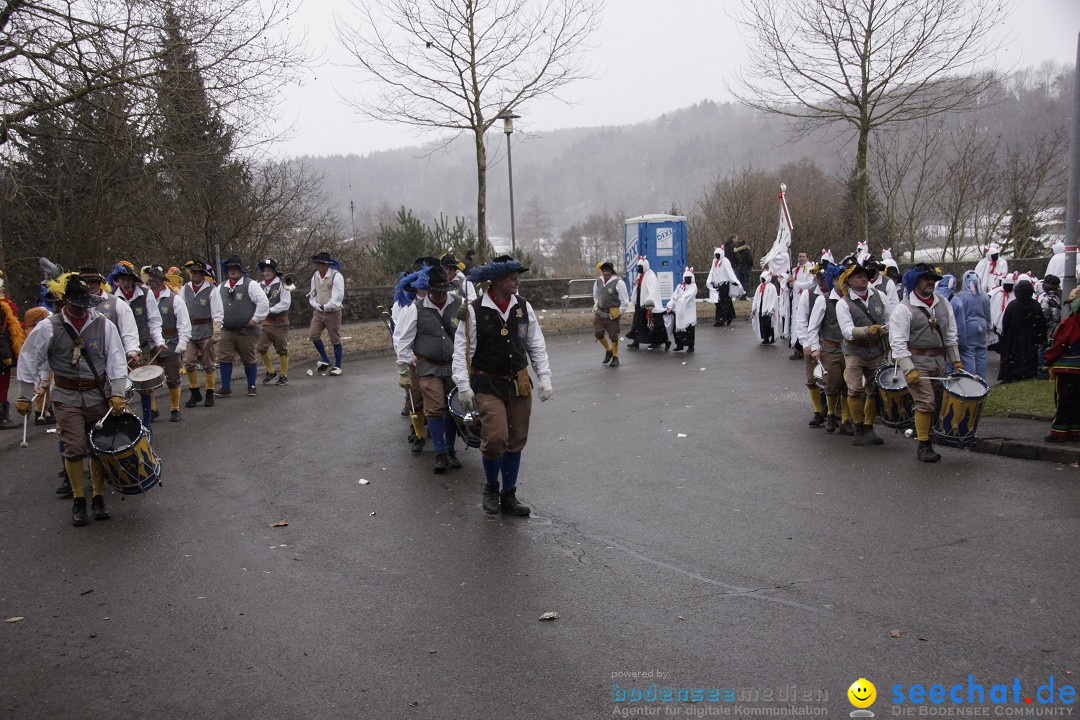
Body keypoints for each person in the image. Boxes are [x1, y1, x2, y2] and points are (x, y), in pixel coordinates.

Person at [15, 273, 129, 525]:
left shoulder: (102, 324)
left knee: (98, 447)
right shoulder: (49, 327)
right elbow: (29, 358)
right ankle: (79, 499)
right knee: (74, 447)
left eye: (84, 303)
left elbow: (116, 359)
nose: (81, 309)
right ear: (66, 301)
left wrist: (118, 392)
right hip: (66, 396)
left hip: (97, 394)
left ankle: (98, 496)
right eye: (76, 303)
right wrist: (25, 395)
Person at [452, 255, 552, 516]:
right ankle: (490, 487)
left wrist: (544, 378)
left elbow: (535, 344)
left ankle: (509, 495)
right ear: (495, 281)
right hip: (487, 382)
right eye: (511, 277)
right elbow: (461, 351)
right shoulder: (473, 310)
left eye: (517, 276)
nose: (517, 281)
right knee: (496, 438)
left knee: (516, 439)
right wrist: (463, 384)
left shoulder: (524, 307)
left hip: (519, 382)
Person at [889, 263, 962, 463]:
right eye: (925, 279)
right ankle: (923, 445)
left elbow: (951, 334)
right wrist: (908, 369)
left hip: (939, 361)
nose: (930, 282)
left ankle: (926, 434)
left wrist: (956, 361)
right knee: (925, 402)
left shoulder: (943, 303)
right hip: (916, 361)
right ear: (914, 282)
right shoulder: (903, 309)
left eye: (933, 279)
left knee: (937, 401)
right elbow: (897, 343)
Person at [394, 264, 462, 473]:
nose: (439, 295)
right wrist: (405, 369)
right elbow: (402, 340)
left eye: (443, 291)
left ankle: (450, 450)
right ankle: (439, 452)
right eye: (435, 292)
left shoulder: (461, 304)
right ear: (427, 289)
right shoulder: (415, 309)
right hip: (428, 366)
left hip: (454, 365)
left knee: (453, 409)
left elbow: (470, 336)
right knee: (434, 407)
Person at [836, 261, 893, 446]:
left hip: (876, 350)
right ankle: (858, 428)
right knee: (854, 390)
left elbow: (890, 319)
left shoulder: (880, 296)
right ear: (849, 281)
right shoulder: (843, 304)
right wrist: (866, 331)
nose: (863, 279)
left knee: (874, 389)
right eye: (858, 276)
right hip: (854, 351)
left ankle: (869, 427)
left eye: (865, 276)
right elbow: (846, 330)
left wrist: (884, 331)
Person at [110, 260, 164, 425]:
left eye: (128, 279)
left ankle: (148, 421)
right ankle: (126, 422)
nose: (126, 282)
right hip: (117, 349)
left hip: (141, 346)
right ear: (117, 280)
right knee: (120, 387)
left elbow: (154, 320)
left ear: (134, 280)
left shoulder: (146, 294)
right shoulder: (111, 298)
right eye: (122, 279)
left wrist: (159, 340)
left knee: (143, 386)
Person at [807, 263, 853, 435]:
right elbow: (813, 327)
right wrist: (814, 348)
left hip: (849, 350)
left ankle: (846, 420)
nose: (845, 283)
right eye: (840, 279)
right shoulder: (823, 300)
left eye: (847, 280)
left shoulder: (852, 301)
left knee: (849, 385)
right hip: (830, 349)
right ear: (833, 281)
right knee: (832, 385)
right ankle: (832, 414)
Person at [217, 256, 269, 397]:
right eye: (230, 268)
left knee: (248, 358)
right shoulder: (221, 287)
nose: (232, 271)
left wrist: (254, 320)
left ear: (241, 270)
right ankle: (226, 387)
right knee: (224, 358)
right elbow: (215, 307)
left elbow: (263, 303)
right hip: (227, 330)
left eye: (235, 268)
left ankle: (251, 386)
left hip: (247, 330)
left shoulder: (251, 285)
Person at [146, 265, 191, 421]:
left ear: (162, 280)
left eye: (156, 278)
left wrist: (183, 342)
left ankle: (175, 409)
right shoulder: (145, 297)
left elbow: (184, 323)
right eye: (151, 278)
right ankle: (152, 409)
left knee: (173, 378)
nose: (153, 281)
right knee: (148, 378)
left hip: (170, 342)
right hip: (151, 344)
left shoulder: (175, 299)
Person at [181, 259, 222, 408]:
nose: (193, 275)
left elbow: (217, 312)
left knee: (208, 363)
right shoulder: (185, 289)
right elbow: (180, 308)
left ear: (203, 274)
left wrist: (216, 329)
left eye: (196, 272)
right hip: (191, 330)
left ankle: (209, 392)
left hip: (206, 329)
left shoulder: (211, 290)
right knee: (189, 361)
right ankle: (195, 392)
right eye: (192, 272)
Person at [1043, 287, 1080, 443]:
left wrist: (1047, 360)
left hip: (1067, 368)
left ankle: (1059, 432)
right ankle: (1075, 431)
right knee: (1077, 401)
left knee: (1064, 400)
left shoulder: (1069, 323)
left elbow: (1059, 344)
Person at [997, 279, 1046, 384]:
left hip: (1014, 339)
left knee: (1015, 358)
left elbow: (1005, 323)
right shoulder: (1035, 305)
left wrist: (1005, 337)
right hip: (1030, 339)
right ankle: (1028, 373)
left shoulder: (1012, 305)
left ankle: (1014, 374)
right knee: (1029, 357)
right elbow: (1041, 324)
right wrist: (1040, 338)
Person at [797, 265, 828, 427]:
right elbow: (801, 320)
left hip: (831, 343)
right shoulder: (808, 295)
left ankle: (832, 412)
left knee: (833, 379)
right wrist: (806, 343)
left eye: (824, 278)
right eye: (819, 278)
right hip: (812, 340)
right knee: (812, 379)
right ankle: (817, 412)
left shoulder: (838, 294)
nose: (821, 281)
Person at [307, 250, 345, 376]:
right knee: (313, 335)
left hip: (333, 312)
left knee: (335, 338)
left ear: (327, 264)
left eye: (322, 264)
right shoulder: (315, 276)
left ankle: (338, 366)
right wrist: (315, 304)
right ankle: (326, 359)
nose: (319, 267)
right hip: (318, 312)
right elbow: (312, 294)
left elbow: (338, 297)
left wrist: (327, 306)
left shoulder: (336, 276)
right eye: (318, 264)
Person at [256, 258, 291, 386]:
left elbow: (286, 304)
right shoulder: (259, 285)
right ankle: (271, 371)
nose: (267, 273)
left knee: (281, 349)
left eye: (269, 270)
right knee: (261, 347)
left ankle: (284, 375)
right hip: (265, 323)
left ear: (275, 271)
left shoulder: (285, 283)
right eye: (265, 270)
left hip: (280, 322)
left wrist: (269, 310)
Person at [951, 270, 991, 380]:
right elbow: (988, 314)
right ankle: (982, 381)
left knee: (968, 354)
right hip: (982, 326)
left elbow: (960, 318)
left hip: (968, 328)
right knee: (981, 355)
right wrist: (987, 327)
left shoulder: (961, 297)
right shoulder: (985, 296)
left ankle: (971, 380)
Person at [592, 261, 629, 367]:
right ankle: (608, 350)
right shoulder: (598, 281)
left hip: (612, 312)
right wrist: (596, 305)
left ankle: (615, 357)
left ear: (611, 271)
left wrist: (619, 312)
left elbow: (625, 300)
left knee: (614, 335)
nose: (606, 272)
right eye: (604, 270)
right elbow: (595, 295)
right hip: (600, 312)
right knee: (598, 333)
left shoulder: (618, 282)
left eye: (608, 270)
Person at [0, 268, 24, 429]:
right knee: (2, 384)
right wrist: (6, 354)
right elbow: (1, 334)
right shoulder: (2, 308)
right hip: (1, 355)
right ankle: (2, 417)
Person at [625, 257, 662, 350]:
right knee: (638, 322)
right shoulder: (640, 275)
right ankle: (636, 340)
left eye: (640, 267)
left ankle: (655, 341)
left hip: (646, 303)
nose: (638, 269)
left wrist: (649, 303)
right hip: (639, 302)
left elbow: (652, 290)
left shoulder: (650, 275)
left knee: (650, 322)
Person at [786, 251, 814, 357]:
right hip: (795, 300)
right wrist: (789, 282)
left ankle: (803, 348)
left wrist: (796, 284)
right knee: (795, 323)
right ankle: (797, 348)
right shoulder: (794, 270)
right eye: (799, 256)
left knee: (803, 322)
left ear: (807, 257)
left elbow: (811, 284)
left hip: (805, 299)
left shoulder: (810, 269)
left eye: (803, 257)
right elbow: (790, 285)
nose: (801, 258)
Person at [706, 246, 742, 327]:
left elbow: (730, 272)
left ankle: (722, 319)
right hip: (717, 284)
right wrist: (710, 281)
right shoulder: (714, 261)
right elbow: (712, 271)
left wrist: (734, 281)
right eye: (716, 255)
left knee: (724, 302)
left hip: (725, 284)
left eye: (718, 255)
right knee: (719, 302)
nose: (717, 257)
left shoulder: (725, 261)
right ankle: (724, 318)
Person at [667, 267, 698, 352]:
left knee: (689, 330)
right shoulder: (679, 286)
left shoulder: (693, 286)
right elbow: (674, 297)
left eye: (689, 278)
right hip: (679, 312)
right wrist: (670, 305)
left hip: (688, 312)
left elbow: (687, 296)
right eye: (686, 278)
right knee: (677, 330)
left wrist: (679, 298)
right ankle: (679, 344)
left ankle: (690, 346)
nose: (687, 279)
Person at [988, 272, 1018, 349]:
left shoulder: (1015, 295)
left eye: (1010, 285)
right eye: (1006, 285)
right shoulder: (997, 293)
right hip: (998, 324)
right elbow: (994, 308)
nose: (1007, 287)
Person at [751, 270, 780, 345]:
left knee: (769, 323)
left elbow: (773, 299)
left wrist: (770, 309)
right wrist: (754, 308)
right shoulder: (760, 287)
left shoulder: (771, 287)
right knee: (762, 323)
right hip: (760, 307)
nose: (762, 280)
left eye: (764, 278)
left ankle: (772, 336)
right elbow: (756, 297)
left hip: (767, 309)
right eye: (762, 278)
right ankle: (765, 337)